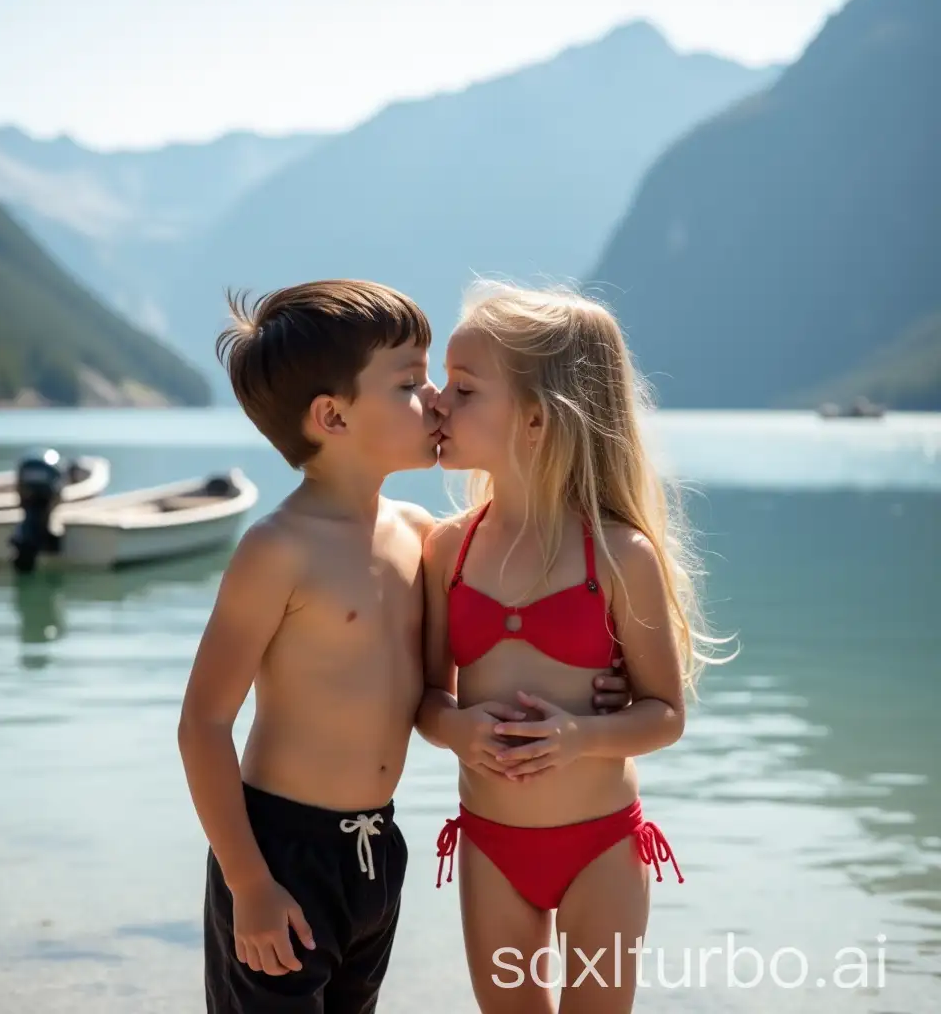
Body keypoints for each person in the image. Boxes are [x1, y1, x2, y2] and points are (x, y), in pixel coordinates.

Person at [178, 278, 633, 1014]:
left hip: (375, 852)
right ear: (332, 416)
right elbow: (201, 724)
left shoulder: (424, 537)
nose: (435, 401)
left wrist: (598, 691)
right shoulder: (277, 550)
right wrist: (249, 883)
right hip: (279, 852)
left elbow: (456, 675)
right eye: (411, 383)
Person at [417, 281, 716, 1014]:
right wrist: (457, 727)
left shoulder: (619, 556)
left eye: (462, 389)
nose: (435, 403)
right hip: (492, 847)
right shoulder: (446, 550)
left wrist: (582, 735)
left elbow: (665, 716)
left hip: (602, 850)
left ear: (535, 420)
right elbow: (427, 700)